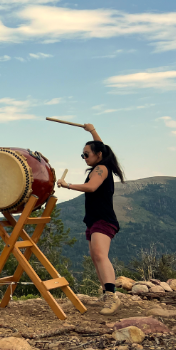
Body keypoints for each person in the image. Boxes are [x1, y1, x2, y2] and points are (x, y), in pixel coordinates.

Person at [56, 123, 126, 315]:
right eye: (83, 154)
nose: (84, 157)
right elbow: (100, 146)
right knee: (96, 257)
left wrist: (67, 184)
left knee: (100, 255)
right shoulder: (102, 163)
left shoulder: (101, 169)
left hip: (103, 219)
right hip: (95, 219)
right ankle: (106, 293)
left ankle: (111, 297)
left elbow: (91, 187)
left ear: (98, 155)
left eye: (86, 154)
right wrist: (92, 131)